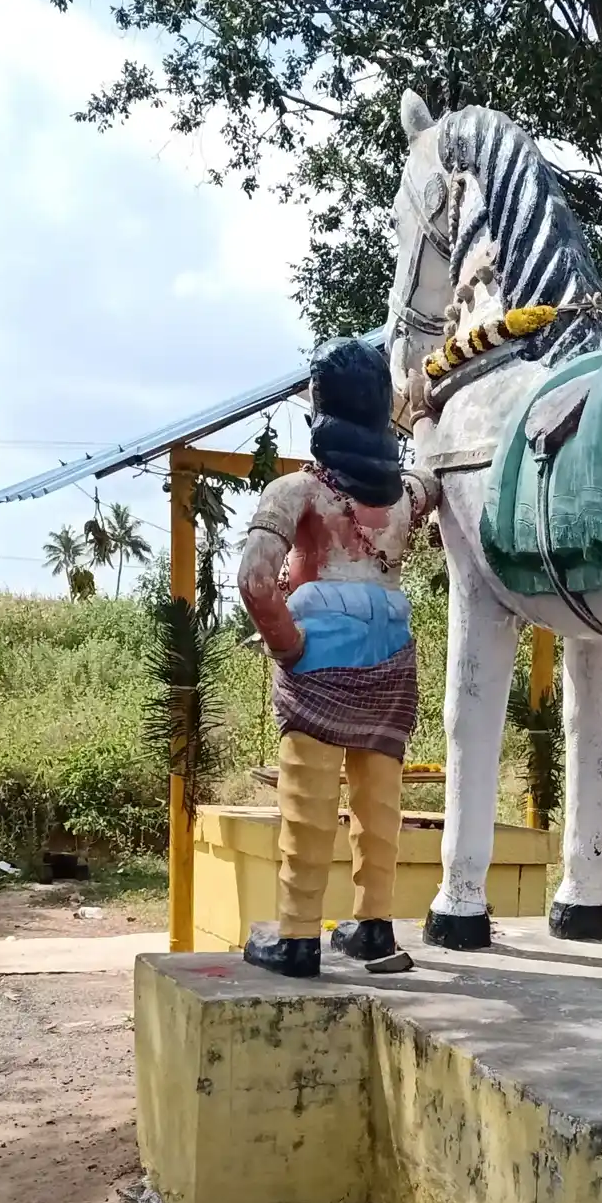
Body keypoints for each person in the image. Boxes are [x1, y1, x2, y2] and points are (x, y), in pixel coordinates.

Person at [232, 338, 439, 977]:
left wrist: (287, 646)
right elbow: (434, 479)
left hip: (319, 656)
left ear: (320, 406)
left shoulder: (296, 492)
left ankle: (297, 936)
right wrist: (424, 409)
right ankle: (374, 926)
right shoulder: (406, 497)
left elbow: (255, 580)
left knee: (310, 802)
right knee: (381, 803)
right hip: (393, 655)